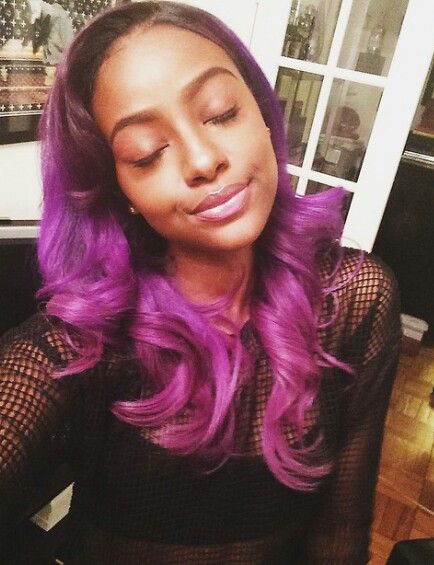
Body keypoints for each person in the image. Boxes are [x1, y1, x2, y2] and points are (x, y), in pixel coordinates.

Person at [0, 2, 401, 563]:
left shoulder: (356, 298)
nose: (204, 160)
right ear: (120, 191)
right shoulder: (82, 348)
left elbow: (343, 529)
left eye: (220, 113)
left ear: (263, 113)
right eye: (146, 153)